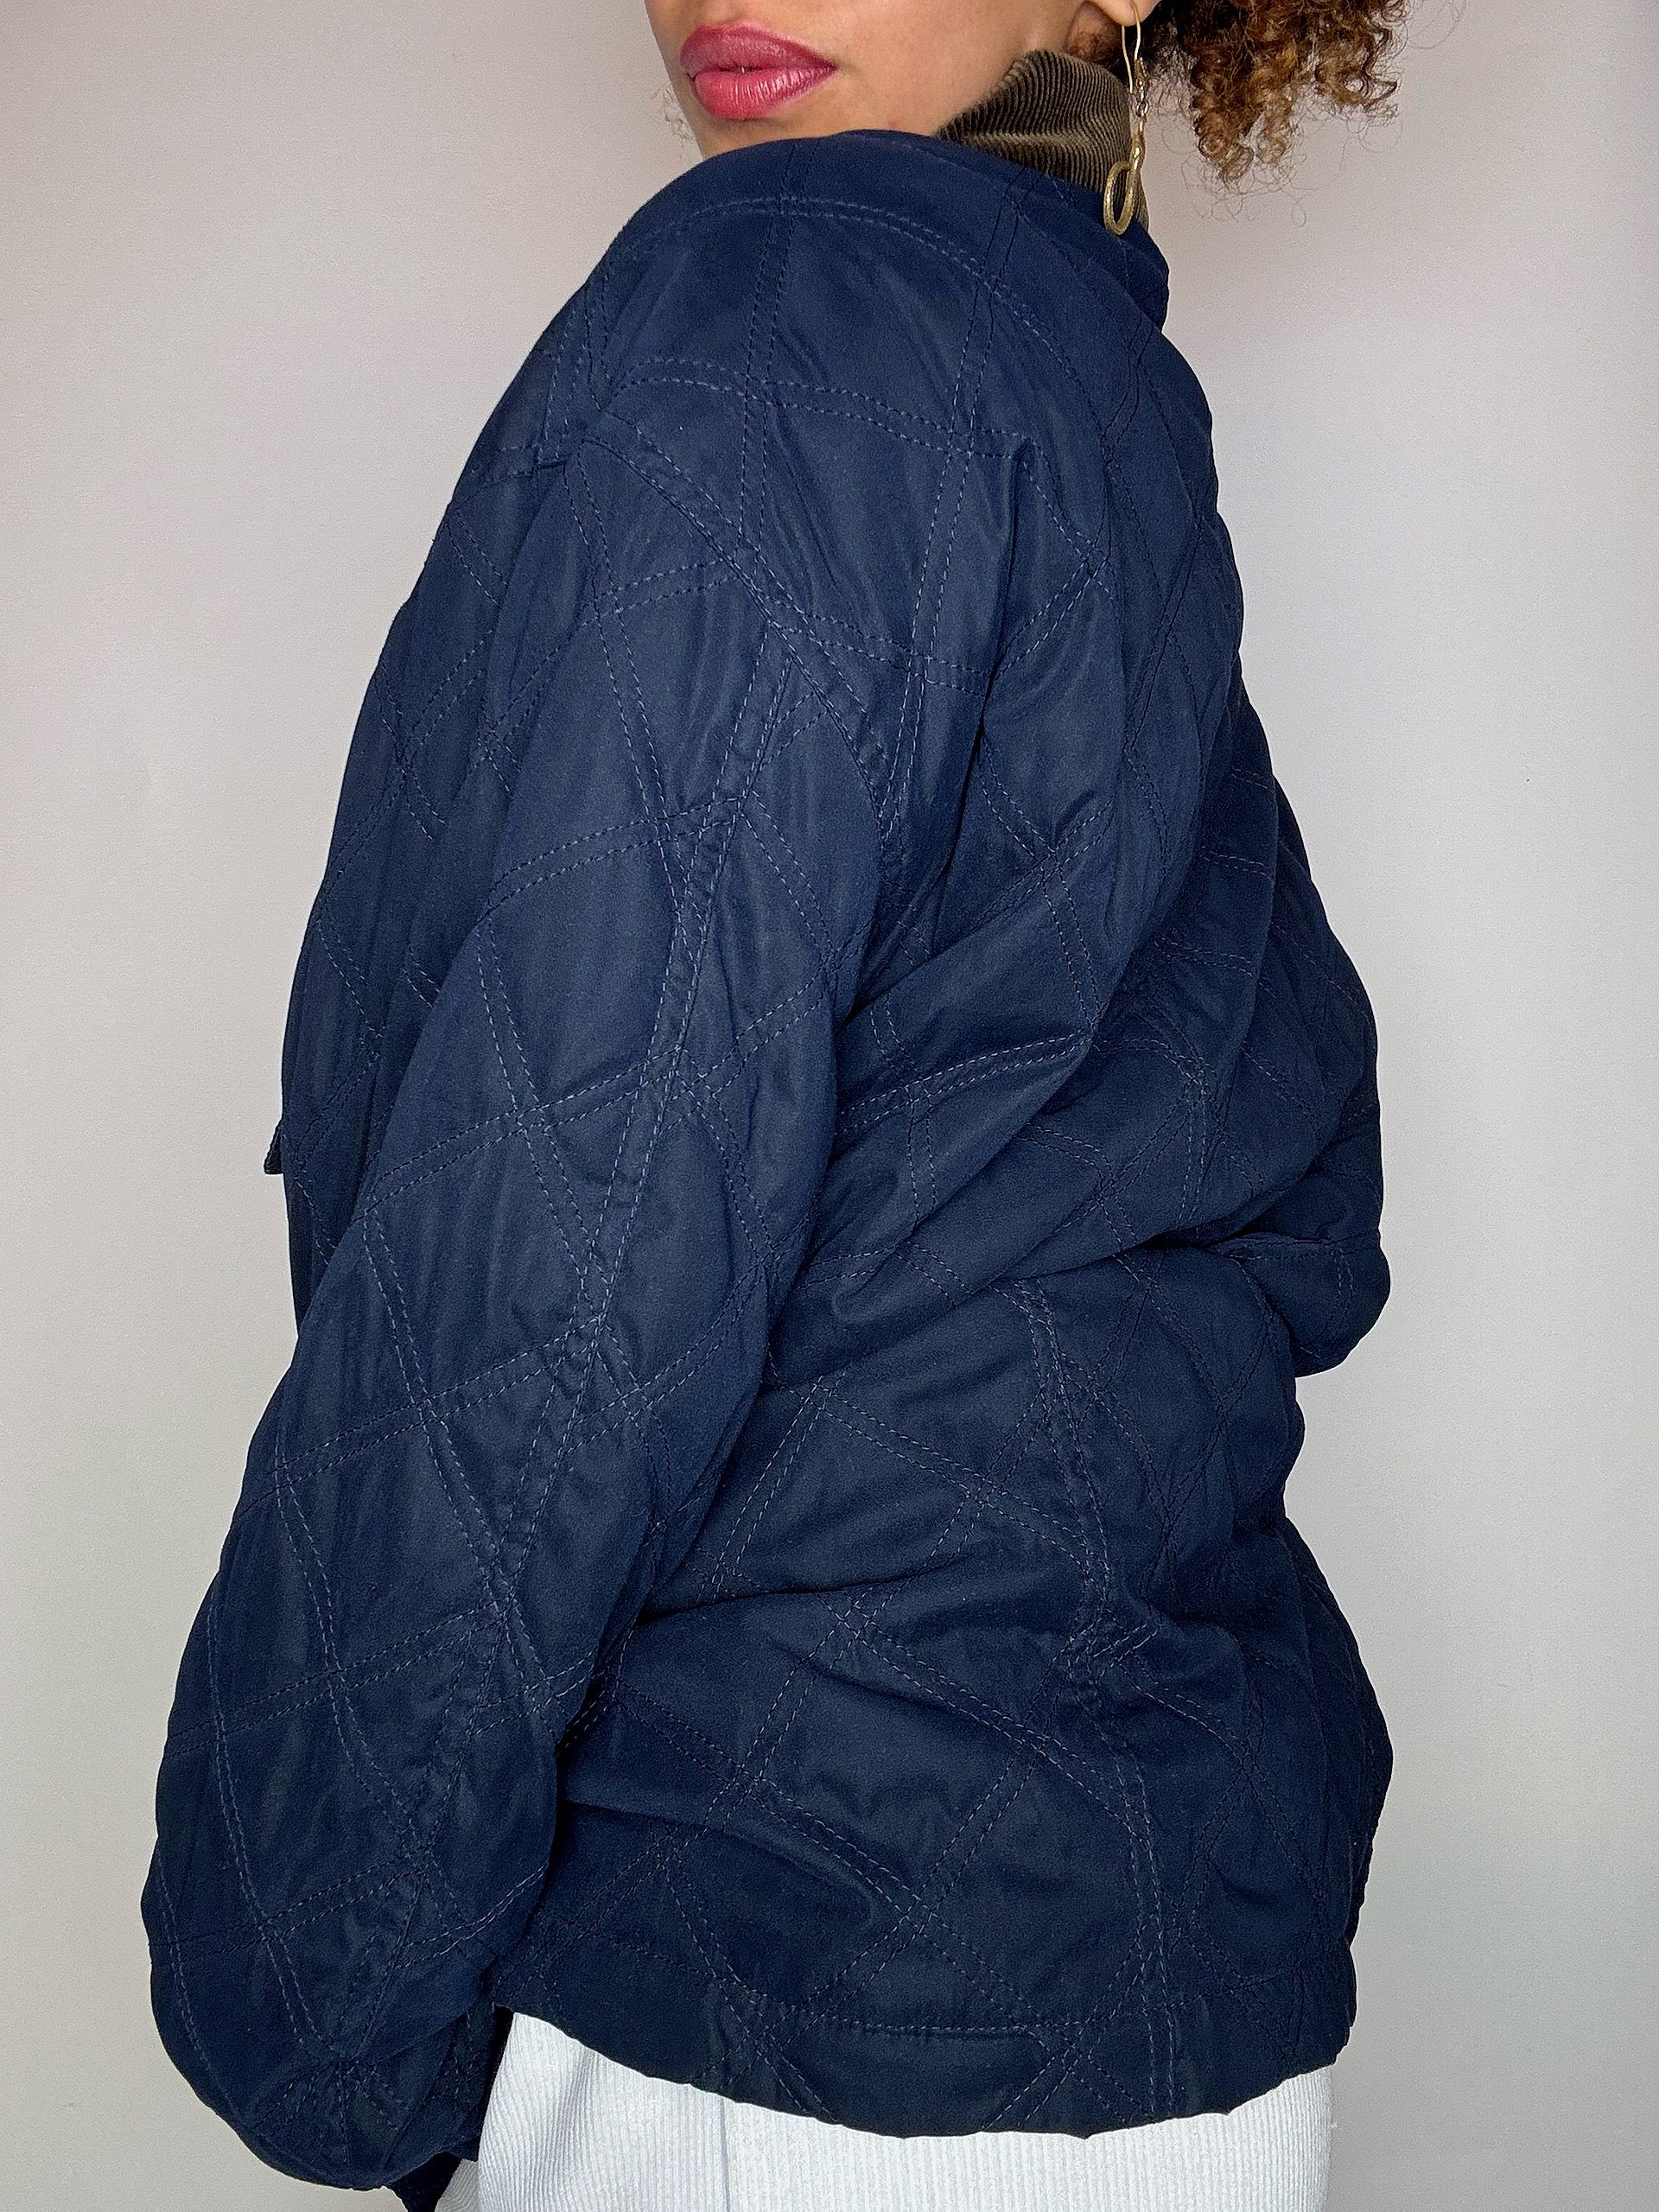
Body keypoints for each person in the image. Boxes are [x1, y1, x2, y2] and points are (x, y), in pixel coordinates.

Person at [142, 4, 1407, 2209]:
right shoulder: (1069, 361)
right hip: (1162, 2003)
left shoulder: (800, 305)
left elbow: (567, 1234)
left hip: (786, 2016)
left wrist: (324, 2005)